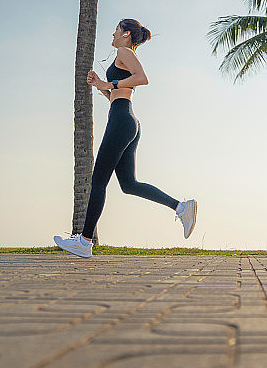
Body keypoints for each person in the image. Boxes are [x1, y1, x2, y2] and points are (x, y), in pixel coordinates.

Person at [54, 19, 197, 258]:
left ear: (126, 33)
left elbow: (142, 78)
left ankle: (84, 241)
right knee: (129, 184)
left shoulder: (123, 51)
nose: (113, 33)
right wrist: (100, 86)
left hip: (122, 120)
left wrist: (108, 82)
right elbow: (117, 93)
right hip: (125, 117)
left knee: (98, 180)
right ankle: (182, 207)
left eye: (116, 30)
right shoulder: (123, 54)